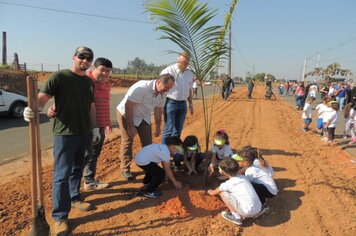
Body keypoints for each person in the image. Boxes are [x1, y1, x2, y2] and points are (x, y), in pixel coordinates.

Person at [23, 46, 97, 235]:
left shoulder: (88, 82)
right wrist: (33, 109)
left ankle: (75, 197)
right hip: (64, 133)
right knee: (61, 175)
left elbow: (91, 106)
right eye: (82, 57)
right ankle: (60, 217)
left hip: (84, 132)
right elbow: (42, 98)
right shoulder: (60, 77)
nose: (85, 61)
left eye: (89, 59)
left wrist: (94, 127)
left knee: (78, 168)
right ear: (74, 57)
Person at [116, 74, 175, 180]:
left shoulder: (163, 93)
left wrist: (158, 126)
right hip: (126, 114)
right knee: (128, 141)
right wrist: (130, 126)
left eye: (170, 88)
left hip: (143, 116)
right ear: (158, 82)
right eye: (167, 88)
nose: (168, 90)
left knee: (148, 144)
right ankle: (125, 169)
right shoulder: (143, 87)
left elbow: (158, 110)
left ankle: (148, 168)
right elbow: (128, 106)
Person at [83, 58, 113, 190]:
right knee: (84, 155)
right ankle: (83, 182)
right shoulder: (85, 82)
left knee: (94, 153)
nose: (105, 73)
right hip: (86, 125)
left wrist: (107, 123)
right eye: (102, 70)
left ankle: (89, 180)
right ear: (93, 69)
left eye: (108, 71)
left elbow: (105, 104)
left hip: (100, 125)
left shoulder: (107, 84)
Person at [207, 158, 262, 225]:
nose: (219, 170)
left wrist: (208, 190)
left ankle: (236, 217)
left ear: (223, 172)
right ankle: (247, 213)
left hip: (247, 212)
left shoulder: (227, 184)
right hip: (259, 207)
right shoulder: (243, 177)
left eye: (219, 169)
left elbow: (212, 193)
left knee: (222, 192)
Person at [161, 52, 194, 144]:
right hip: (170, 103)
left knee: (178, 128)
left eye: (187, 63)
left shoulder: (189, 73)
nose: (185, 64)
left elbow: (189, 89)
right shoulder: (168, 71)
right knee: (169, 128)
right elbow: (162, 90)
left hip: (183, 104)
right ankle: (163, 150)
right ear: (177, 60)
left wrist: (190, 104)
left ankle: (174, 148)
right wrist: (161, 105)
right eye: (183, 62)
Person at [238, 146, 277, 211]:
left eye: (239, 160)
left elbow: (246, 185)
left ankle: (262, 206)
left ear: (245, 162)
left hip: (270, 192)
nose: (237, 161)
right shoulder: (252, 166)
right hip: (270, 189)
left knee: (247, 186)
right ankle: (263, 198)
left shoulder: (250, 170)